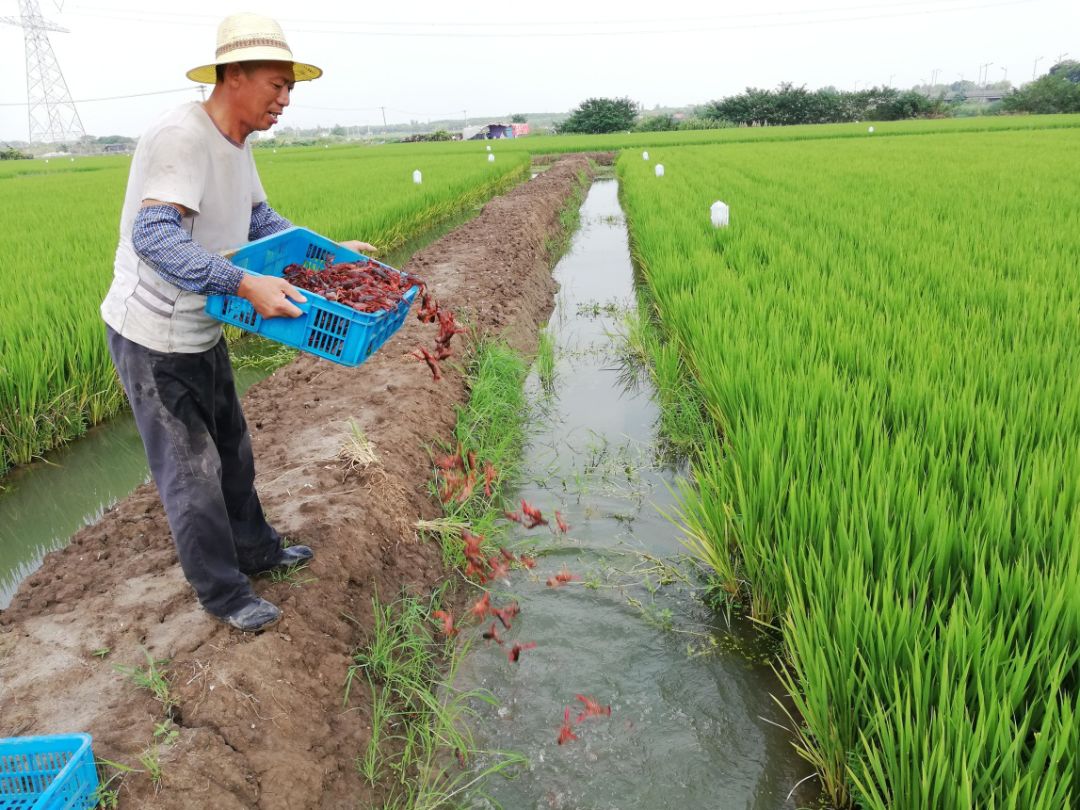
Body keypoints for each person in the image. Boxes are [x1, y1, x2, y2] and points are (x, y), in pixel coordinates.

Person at [100, 13, 373, 632]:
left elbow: (259, 221)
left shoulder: (236, 143)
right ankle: (224, 595)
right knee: (191, 472)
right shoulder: (182, 137)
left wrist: (333, 254)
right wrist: (244, 282)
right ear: (235, 74)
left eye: (290, 90)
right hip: (153, 336)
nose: (283, 101)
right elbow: (154, 235)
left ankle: (258, 552)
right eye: (276, 85)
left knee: (233, 453)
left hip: (202, 323)